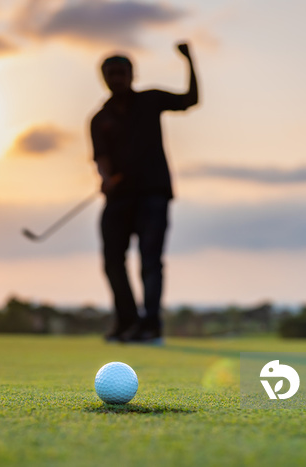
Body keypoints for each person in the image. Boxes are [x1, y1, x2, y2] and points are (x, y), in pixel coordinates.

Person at [90, 42, 199, 344]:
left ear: (131, 74)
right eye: (111, 73)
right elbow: (101, 158)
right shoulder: (99, 119)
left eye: (121, 72)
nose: (117, 78)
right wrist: (106, 178)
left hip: (153, 194)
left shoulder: (150, 101)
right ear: (104, 77)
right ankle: (127, 323)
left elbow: (190, 99)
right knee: (113, 261)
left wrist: (189, 61)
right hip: (119, 198)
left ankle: (150, 326)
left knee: (150, 261)